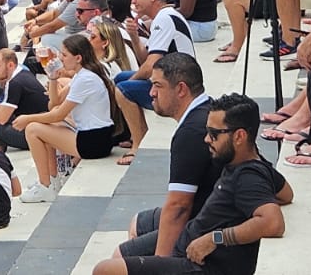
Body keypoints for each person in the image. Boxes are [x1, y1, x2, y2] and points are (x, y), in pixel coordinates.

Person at [93, 93, 289, 275]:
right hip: (187, 250)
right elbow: (286, 193)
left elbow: (273, 222)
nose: (206, 139)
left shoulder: (248, 176)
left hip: (200, 266)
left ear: (239, 136)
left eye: (214, 133)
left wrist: (216, 238)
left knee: (105, 270)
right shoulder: (250, 165)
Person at [117, 53, 216, 259]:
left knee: (118, 260)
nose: (151, 93)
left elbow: (179, 206)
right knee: (137, 223)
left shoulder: (190, 133)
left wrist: (160, 265)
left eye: (157, 86)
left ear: (181, 89)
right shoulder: (209, 109)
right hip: (204, 207)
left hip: (205, 222)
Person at [15, 34, 119, 202]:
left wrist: (27, 118)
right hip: (96, 136)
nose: (60, 58)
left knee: (33, 129)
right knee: (49, 124)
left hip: (95, 141)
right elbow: (54, 104)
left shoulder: (85, 79)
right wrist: (53, 78)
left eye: (64, 55)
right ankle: (52, 179)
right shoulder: (81, 75)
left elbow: (59, 113)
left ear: (78, 58)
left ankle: (45, 186)